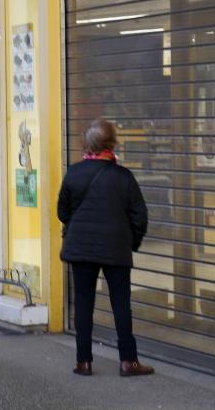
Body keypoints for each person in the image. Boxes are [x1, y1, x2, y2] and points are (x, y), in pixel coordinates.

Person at [58, 118, 153, 377]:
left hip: (81, 248)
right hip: (116, 248)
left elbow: (62, 212)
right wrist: (131, 241)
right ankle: (128, 361)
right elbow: (140, 216)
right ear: (112, 143)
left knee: (84, 302)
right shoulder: (124, 177)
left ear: (87, 143)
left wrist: (79, 227)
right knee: (121, 304)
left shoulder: (74, 173)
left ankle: (83, 361)